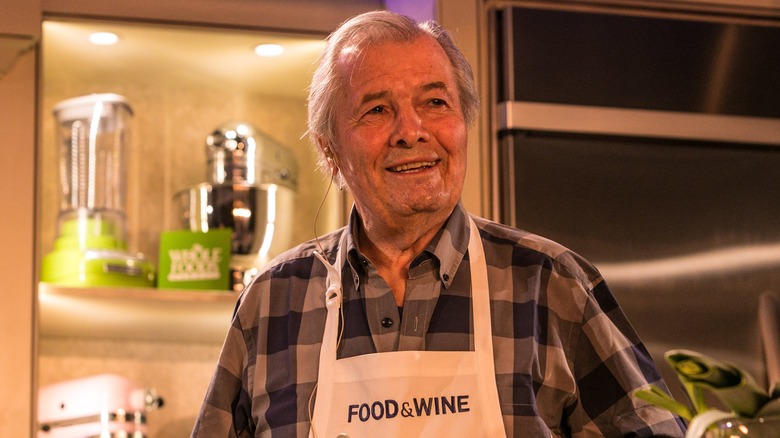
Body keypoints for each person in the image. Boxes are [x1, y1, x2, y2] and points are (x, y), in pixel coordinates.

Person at [192, 10, 685, 437]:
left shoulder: (551, 284)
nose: (411, 132)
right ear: (331, 152)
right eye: (377, 110)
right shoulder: (271, 302)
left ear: (463, 123)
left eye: (435, 102)